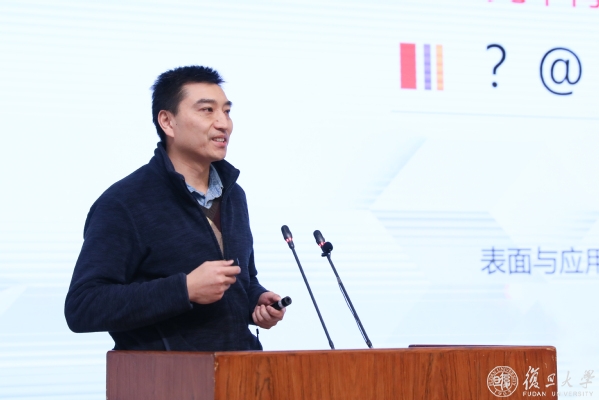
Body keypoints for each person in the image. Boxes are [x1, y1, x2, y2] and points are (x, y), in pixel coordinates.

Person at [64, 66, 285, 351]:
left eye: (227, 111)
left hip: (239, 370)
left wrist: (256, 299)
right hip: (165, 375)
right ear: (167, 122)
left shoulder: (234, 196)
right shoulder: (125, 202)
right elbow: (83, 306)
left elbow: (242, 280)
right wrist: (185, 289)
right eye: (207, 110)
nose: (224, 124)